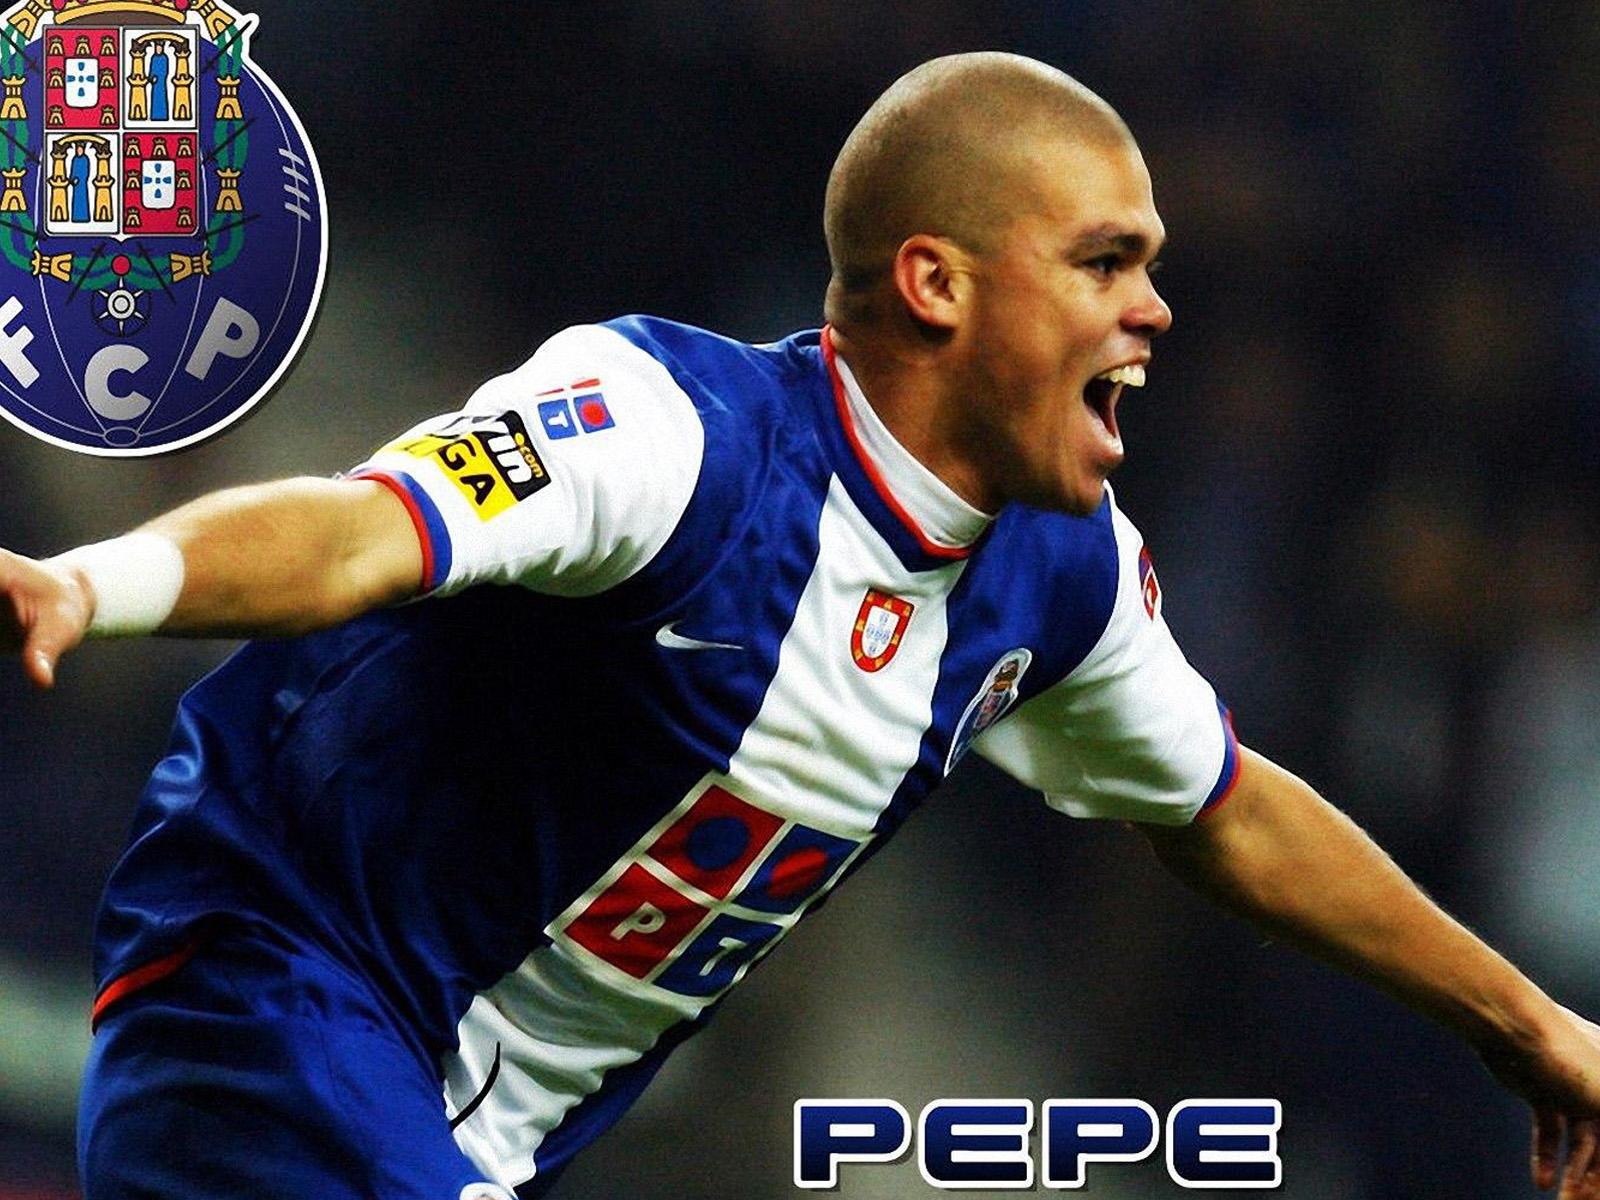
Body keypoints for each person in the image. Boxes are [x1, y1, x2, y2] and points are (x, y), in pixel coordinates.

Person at [2, 51, 1598, 1200]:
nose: (1153, 309)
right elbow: (360, 533)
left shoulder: (1062, 580)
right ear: (938, 284)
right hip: (271, 995)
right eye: (1105, 262)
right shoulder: (666, 432)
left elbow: (1231, 811)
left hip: (470, 1124)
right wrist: (97, 585)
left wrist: (1530, 1028)